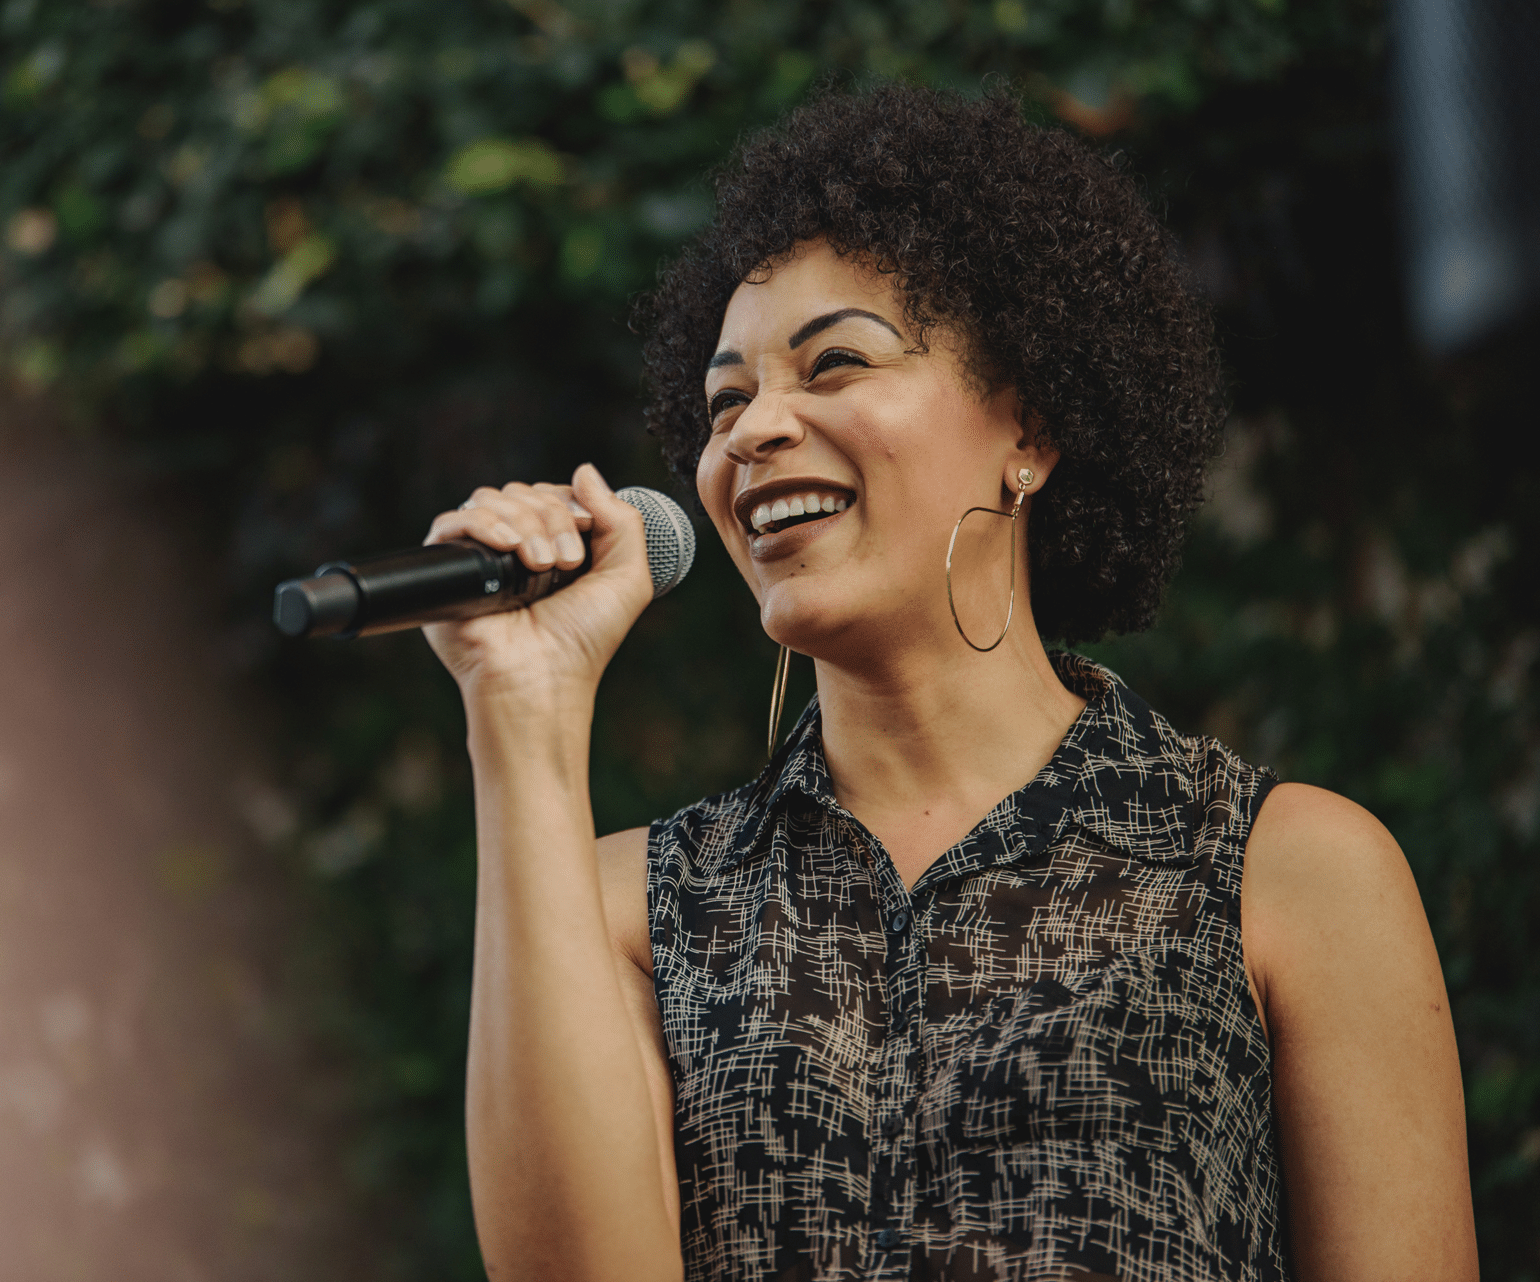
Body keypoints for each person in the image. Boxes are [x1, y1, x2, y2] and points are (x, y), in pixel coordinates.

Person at [419, 85, 1475, 1281]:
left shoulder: (1284, 871)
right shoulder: (624, 909)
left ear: (1029, 424)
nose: (755, 427)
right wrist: (525, 706)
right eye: (725, 399)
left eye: (836, 365)